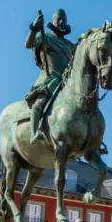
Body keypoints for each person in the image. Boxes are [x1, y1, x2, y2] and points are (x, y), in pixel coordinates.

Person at [22, 9, 76, 144]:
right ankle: (34, 132)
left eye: (64, 19)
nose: (61, 22)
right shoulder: (45, 37)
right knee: (39, 102)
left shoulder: (70, 45)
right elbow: (28, 44)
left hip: (67, 82)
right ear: (53, 21)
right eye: (59, 19)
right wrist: (34, 28)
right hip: (50, 78)